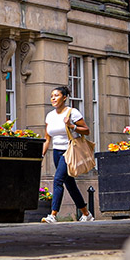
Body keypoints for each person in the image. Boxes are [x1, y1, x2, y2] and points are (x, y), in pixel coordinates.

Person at [40, 85, 95, 223]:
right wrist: (41, 156)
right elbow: (47, 139)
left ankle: (53, 215)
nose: (53, 98)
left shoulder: (72, 112)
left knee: (58, 179)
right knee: (69, 184)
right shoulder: (50, 116)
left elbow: (86, 131)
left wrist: (72, 126)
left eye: (56, 95)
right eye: (52, 96)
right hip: (56, 153)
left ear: (64, 97)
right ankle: (86, 214)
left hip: (69, 151)